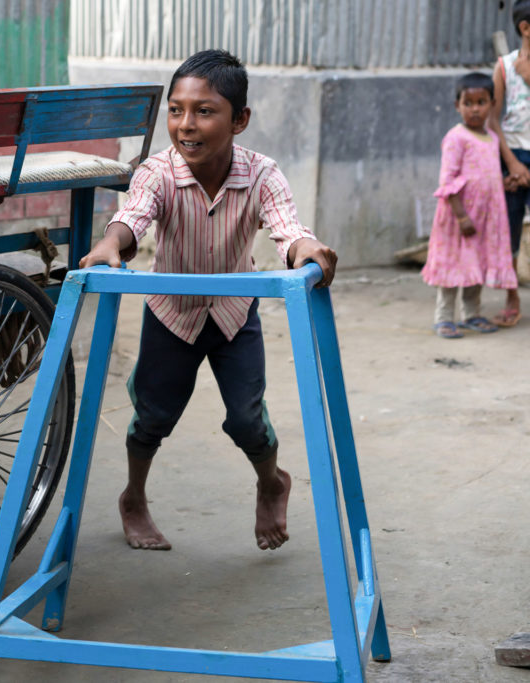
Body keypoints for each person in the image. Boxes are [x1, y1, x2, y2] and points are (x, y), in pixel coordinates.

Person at [78, 49, 337, 551]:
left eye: (204, 111)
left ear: (239, 119)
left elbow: (287, 228)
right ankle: (133, 497)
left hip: (234, 314)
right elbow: (133, 217)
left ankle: (271, 482)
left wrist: (308, 250)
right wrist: (110, 243)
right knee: (151, 415)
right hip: (170, 313)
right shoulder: (157, 171)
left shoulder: (262, 173)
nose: (186, 125)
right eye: (176, 110)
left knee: (247, 417)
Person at [423, 73, 517, 338]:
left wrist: (504, 183)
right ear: (457, 105)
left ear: (492, 104)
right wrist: (462, 217)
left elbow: (486, 174)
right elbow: (448, 180)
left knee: (477, 264)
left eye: (481, 102)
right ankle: (443, 318)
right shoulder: (456, 138)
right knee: (453, 265)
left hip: (485, 219)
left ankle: (471, 314)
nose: (475, 108)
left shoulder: (493, 138)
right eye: (468, 103)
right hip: (459, 218)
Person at [489, 0, 530, 328]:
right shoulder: (503, 67)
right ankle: (512, 296)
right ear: (525, 28)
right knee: (510, 230)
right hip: (513, 156)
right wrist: (512, 164)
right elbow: (493, 122)